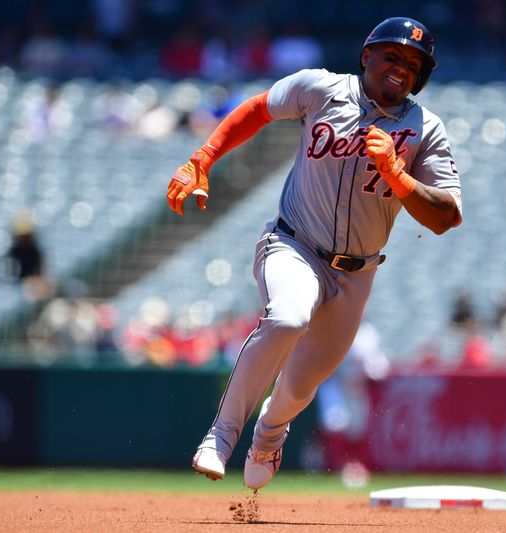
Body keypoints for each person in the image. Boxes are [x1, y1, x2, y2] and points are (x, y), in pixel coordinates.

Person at [166, 17, 462, 490]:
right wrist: (202, 159)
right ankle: (222, 435)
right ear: (367, 56)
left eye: (413, 63)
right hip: (293, 243)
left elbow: (445, 216)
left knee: (302, 387)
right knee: (287, 316)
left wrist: (397, 174)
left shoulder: (425, 129)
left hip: (356, 275)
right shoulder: (320, 89)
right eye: (392, 55)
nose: (402, 68)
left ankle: (270, 435)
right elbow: (258, 109)